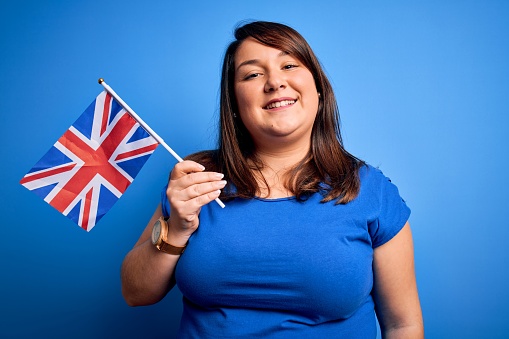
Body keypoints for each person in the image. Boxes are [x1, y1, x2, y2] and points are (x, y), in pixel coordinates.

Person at [121, 21, 424, 338]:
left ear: (318, 88)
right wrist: (178, 228)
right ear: (235, 104)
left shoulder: (369, 190)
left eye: (289, 65)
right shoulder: (198, 179)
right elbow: (136, 293)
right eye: (253, 74)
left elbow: (403, 324)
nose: (275, 82)